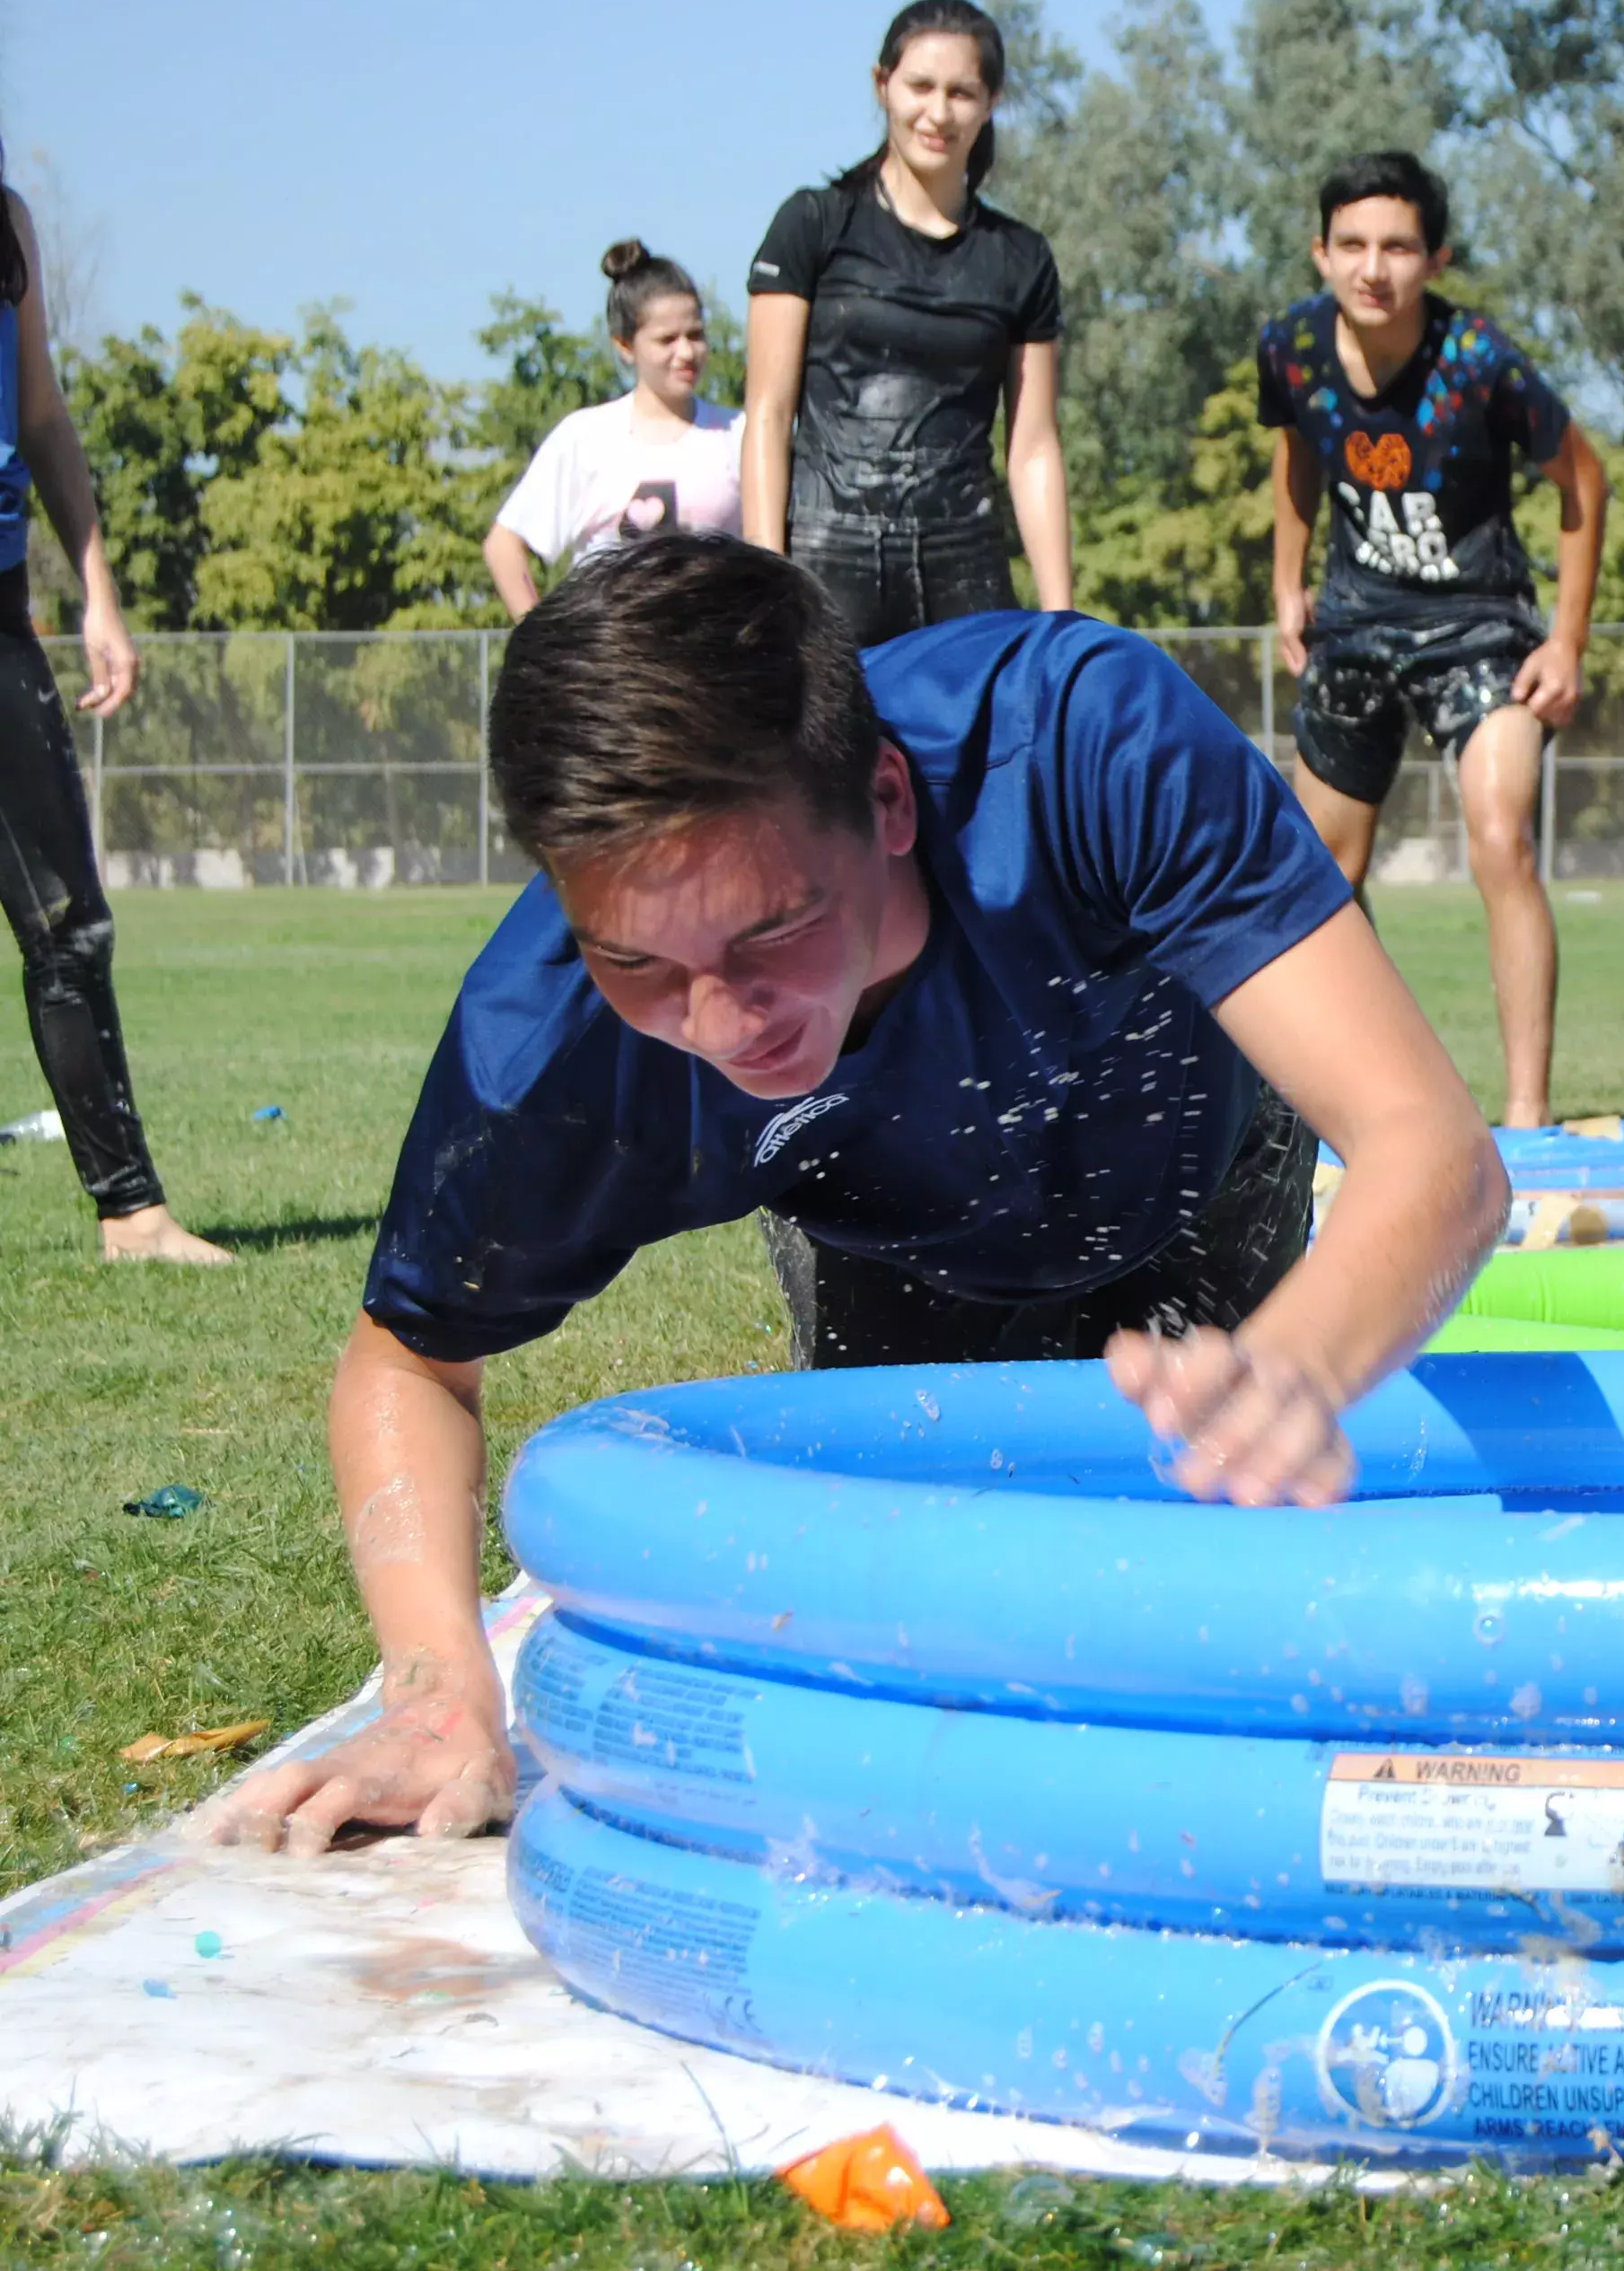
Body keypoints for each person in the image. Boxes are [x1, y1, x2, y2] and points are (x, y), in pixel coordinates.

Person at [214, 536, 1506, 1855]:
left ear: (888, 799)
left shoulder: (1082, 748)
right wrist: (436, 1693)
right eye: (640, 962)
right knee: (932, 1676)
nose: (722, 1022)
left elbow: (1435, 1153)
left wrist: (1289, 1370)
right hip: (900, 1240)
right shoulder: (555, 1036)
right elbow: (409, 1360)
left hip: (1194, 1173)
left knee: (1211, 1659)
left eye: (770, 932)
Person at [1266, 151, 1608, 1129]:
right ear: (1321, 251)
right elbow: (1295, 458)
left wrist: (1567, 642)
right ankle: (1363, 1104)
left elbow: (1582, 483)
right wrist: (1286, 583)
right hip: (1356, 622)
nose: (1374, 267)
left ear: (1435, 256)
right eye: (1353, 245)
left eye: (1399, 247)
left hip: (1480, 629)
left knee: (1500, 837)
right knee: (1320, 876)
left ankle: (1528, 1114)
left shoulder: (1479, 360)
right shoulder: (1289, 348)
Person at [1, 153, 228, 1267]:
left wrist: (97, 591)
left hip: (2, 613)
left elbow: (40, 414)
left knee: (67, 922)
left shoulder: (8, 223)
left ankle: (132, 1214)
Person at [742, 0, 1070, 645]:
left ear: (992, 101)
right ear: (882, 84)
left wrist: (1062, 616)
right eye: (920, 86)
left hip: (965, 565)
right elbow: (769, 417)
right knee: (828, 750)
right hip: (824, 557)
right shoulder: (813, 223)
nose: (938, 112)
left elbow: (1032, 447)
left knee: (987, 748)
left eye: (962, 92)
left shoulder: (1021, 256)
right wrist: (765, 576)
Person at [483, 241, 740, 618]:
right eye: (667, 339)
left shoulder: (740, 433)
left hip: (712, 663)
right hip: (609, 668)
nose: (686, 352)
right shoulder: (585, 437)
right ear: (624, 345)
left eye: (696, 335)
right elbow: (504, 545)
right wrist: (540, 644)